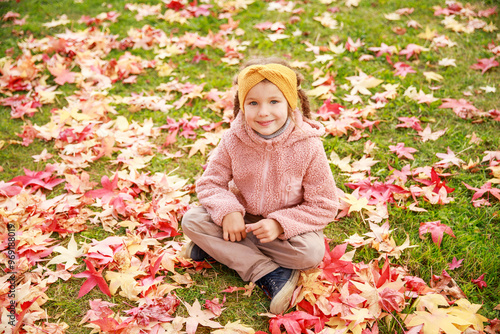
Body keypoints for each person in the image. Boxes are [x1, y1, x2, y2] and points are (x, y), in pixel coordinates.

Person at [180, 57, 339, 314]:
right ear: (241, 106)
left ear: (290, 102)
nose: (263, 112)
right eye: (253, 103)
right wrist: (229, 211)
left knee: (310, 254)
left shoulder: (308, 146)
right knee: (191, 221)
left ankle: (220, 249)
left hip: (289, 227)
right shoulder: (233, 139)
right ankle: (268, 273)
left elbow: (324, 204)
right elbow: (211, 183)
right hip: (243, 220)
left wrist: (279, 224)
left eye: (274, 101)